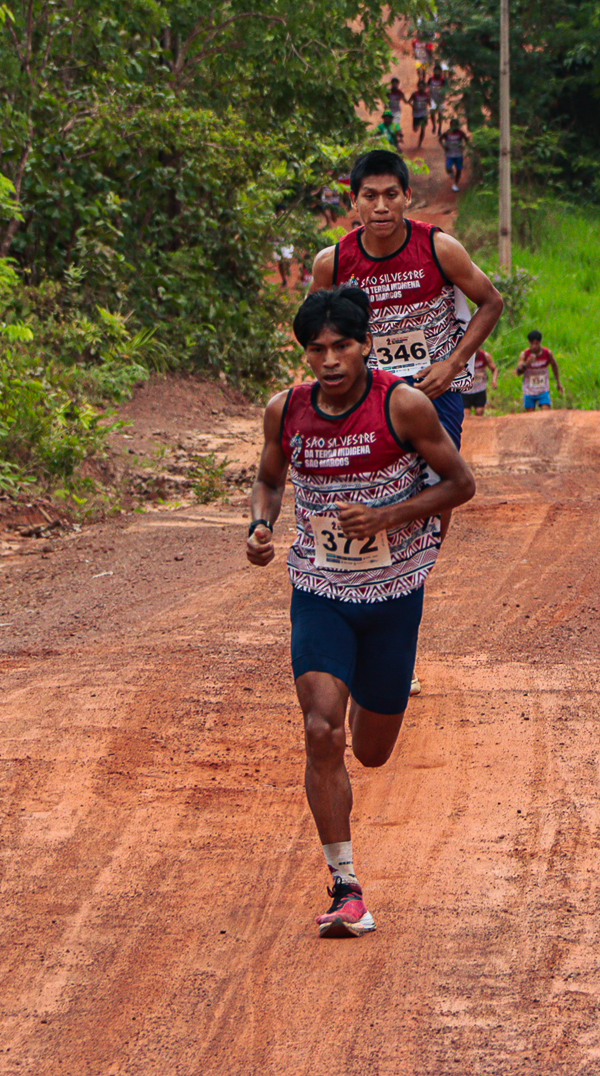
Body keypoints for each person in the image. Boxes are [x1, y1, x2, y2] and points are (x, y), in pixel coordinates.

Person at [246, 287, 476, 939]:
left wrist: (387, 516)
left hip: (394, 594)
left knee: (371, 751)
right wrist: (260, 524)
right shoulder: (286, 410)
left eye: (341, 345)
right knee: (321, 730)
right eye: (316, 349)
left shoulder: (402, 405)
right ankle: (346, 886)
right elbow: (269, 479)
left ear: (366, 344)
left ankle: (362, 693)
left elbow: (460, 483)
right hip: (320, 588)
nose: (329, 360)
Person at [310, 150, 504, 535]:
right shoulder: (333, 262)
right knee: (367, 485)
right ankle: (373, 562)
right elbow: (314, 328)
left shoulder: (438, 247)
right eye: (370, 196)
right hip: (368, 391)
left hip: (434, 387)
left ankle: (424, 562)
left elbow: (491, 301)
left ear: (408, 197)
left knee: (439, 482)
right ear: (354, 201)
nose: (381, 207)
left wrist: (453, 364)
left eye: (391, 195)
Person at [517, 331, 563, 411]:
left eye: (536, 343)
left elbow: (554, 366)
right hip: (529, 391)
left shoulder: (547, 353)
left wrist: (558, 382)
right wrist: (527, 363)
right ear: (529, 343)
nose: (534, 346)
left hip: (543, 390)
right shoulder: (524, 355)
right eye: (532, 343)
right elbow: (518, 372)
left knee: (546, 413)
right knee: (530, 416)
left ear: (540, 342)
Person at [462, 348, 497, 417]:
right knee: (466, 415)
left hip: (480, 389)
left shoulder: (485, 356)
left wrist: (494, 380)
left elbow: (494, 369)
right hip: (465, 391)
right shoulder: (463, 357)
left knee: (479, 412)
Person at [441, 119, 469, 192]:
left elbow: (467, 140)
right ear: (450, 125)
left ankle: (455, 184)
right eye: (453, 125)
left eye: (455, 125)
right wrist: (444, 147)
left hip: (458, 155)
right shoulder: (447, 133)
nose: (454, 126)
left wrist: (464, 146)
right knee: (448, 168)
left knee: (459, 170)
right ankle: (451, 173)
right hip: (449, 154)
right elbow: (440, 139)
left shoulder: (461, 133)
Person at [410, 83, 434, 148]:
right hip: (416, 114)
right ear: (418, 87)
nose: (421, 88)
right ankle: (418, 125)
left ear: (425, 88)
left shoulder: (427, 95)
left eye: (423, 87)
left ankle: (420, 143)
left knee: (423, 129)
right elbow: (409, 101)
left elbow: (430, 104)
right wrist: (413, 106)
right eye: (420, 87)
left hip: (424, 114)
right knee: (415, 129)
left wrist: (429, 102)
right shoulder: (414, 94)